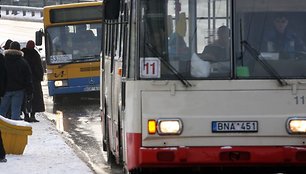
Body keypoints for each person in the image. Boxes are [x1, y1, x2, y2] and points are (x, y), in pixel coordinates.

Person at [0, 41, 33, 120]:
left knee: (2, 112)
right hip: (19, 90)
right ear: (19, 50)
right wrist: (29, 92)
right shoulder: (23, 62)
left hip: (5, 90)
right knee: (16, 112)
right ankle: (14, 129)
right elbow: (28, 78)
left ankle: (2, 129)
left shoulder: (3, 61)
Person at [21, 40, 45, 122]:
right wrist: (39, 77)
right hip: (35, 81)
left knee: (25, 98)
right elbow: (39, 68)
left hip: (25, 81)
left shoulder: (23, 54)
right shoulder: (35, 55)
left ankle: (26, 115)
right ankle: (32, 115)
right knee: (35, 99)